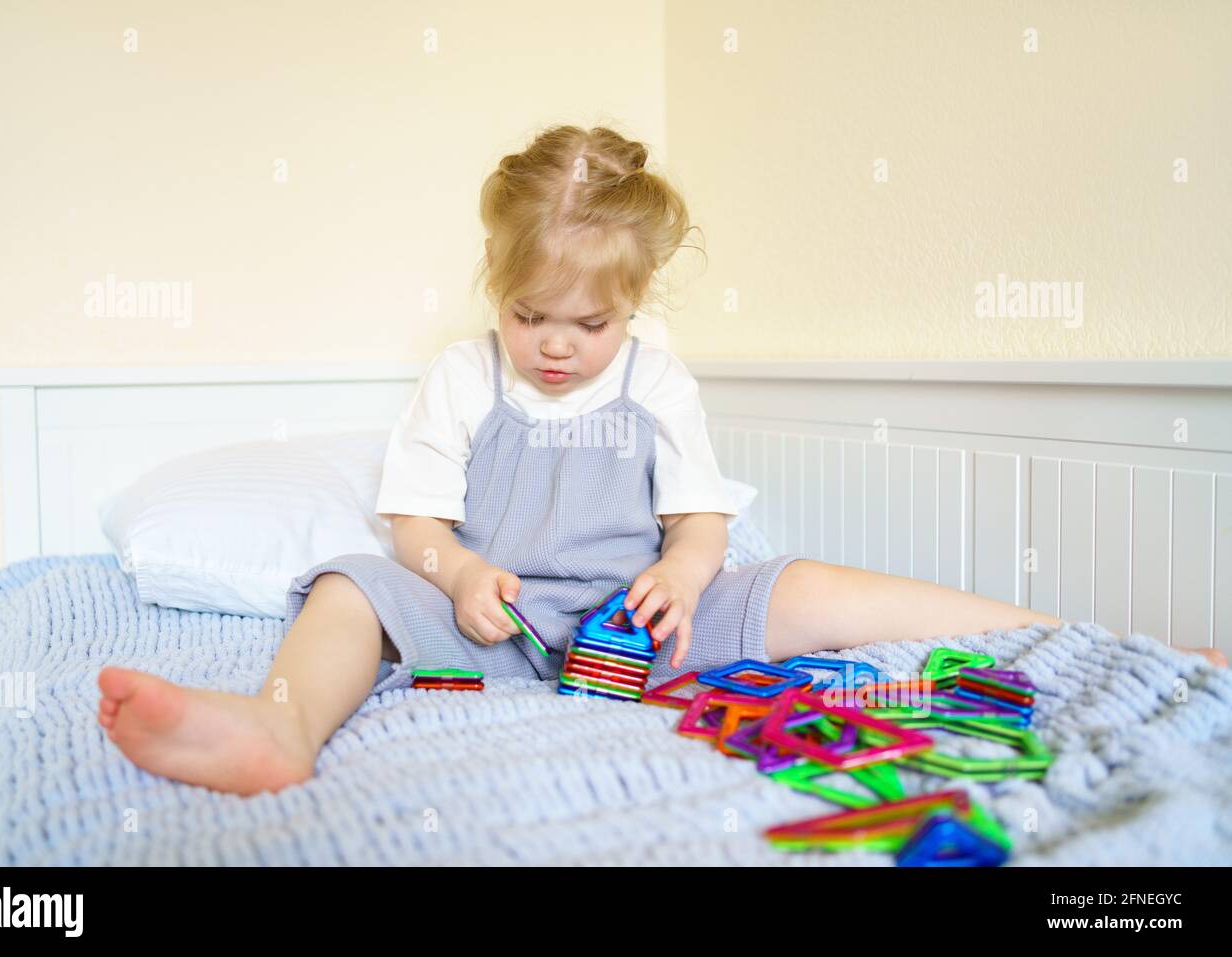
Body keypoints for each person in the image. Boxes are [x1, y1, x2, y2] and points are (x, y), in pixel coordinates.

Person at [96, 124, 1226, 796]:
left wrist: (683, 578)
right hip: (504, 626)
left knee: (815, 586)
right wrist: (455, 577)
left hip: (643, 630)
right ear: (497, 286)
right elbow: (415, 526)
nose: (553, 346)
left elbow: (698, 523)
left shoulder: (657, 374)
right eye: (530, 314)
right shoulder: (459, 376)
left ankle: (1078, 638)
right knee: (349, 583)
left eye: (587, 326)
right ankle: (278, 725)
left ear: (632, 305)